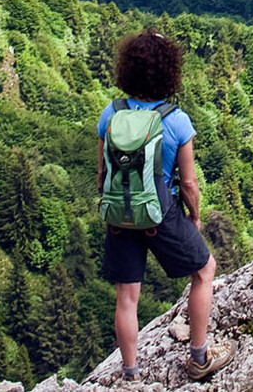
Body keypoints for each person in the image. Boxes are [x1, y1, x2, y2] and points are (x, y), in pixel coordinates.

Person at [97, 31, 233, 381]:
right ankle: (200, 358)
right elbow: (188, 182)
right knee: (204, 271)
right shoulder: (176, 120)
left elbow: (101, 173)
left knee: (127, 298)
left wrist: (115, 210)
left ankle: (130, 376)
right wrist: (195, 216)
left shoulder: (110, 114)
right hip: (160, 213)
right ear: (168, 71)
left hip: (119, 213)